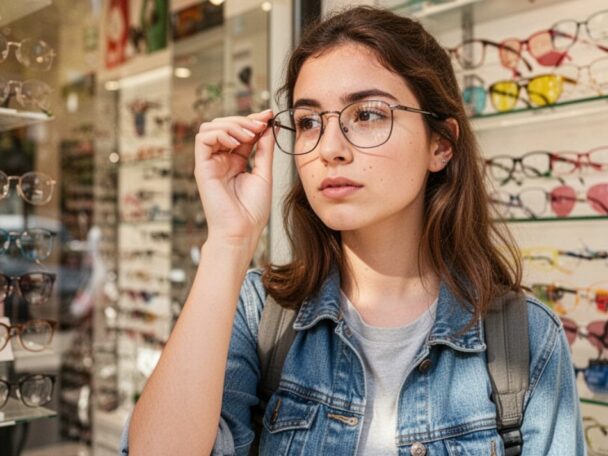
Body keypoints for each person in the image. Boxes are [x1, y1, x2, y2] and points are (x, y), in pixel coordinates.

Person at [122, 6, 584, 455]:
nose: (329, 148)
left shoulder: (523, 337)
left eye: (366, 115)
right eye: (307, 122)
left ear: (440, 144)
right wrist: (228, 240)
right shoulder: (261, 311)